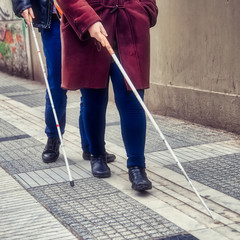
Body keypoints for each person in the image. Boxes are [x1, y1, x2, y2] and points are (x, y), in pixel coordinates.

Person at [56, 0, 158, 191]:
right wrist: (88, 20)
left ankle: (137, 166)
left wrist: (145, 10)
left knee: (133, 100)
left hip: (130, 30)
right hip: (88, 35)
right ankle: (97, 154)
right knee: (93, 100)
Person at [11, 0, 116, 163]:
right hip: (54, 21)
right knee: (56, 85)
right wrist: (23, 4)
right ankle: (53, 138)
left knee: (88, 82)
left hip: (85, 17)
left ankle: (91, 145)